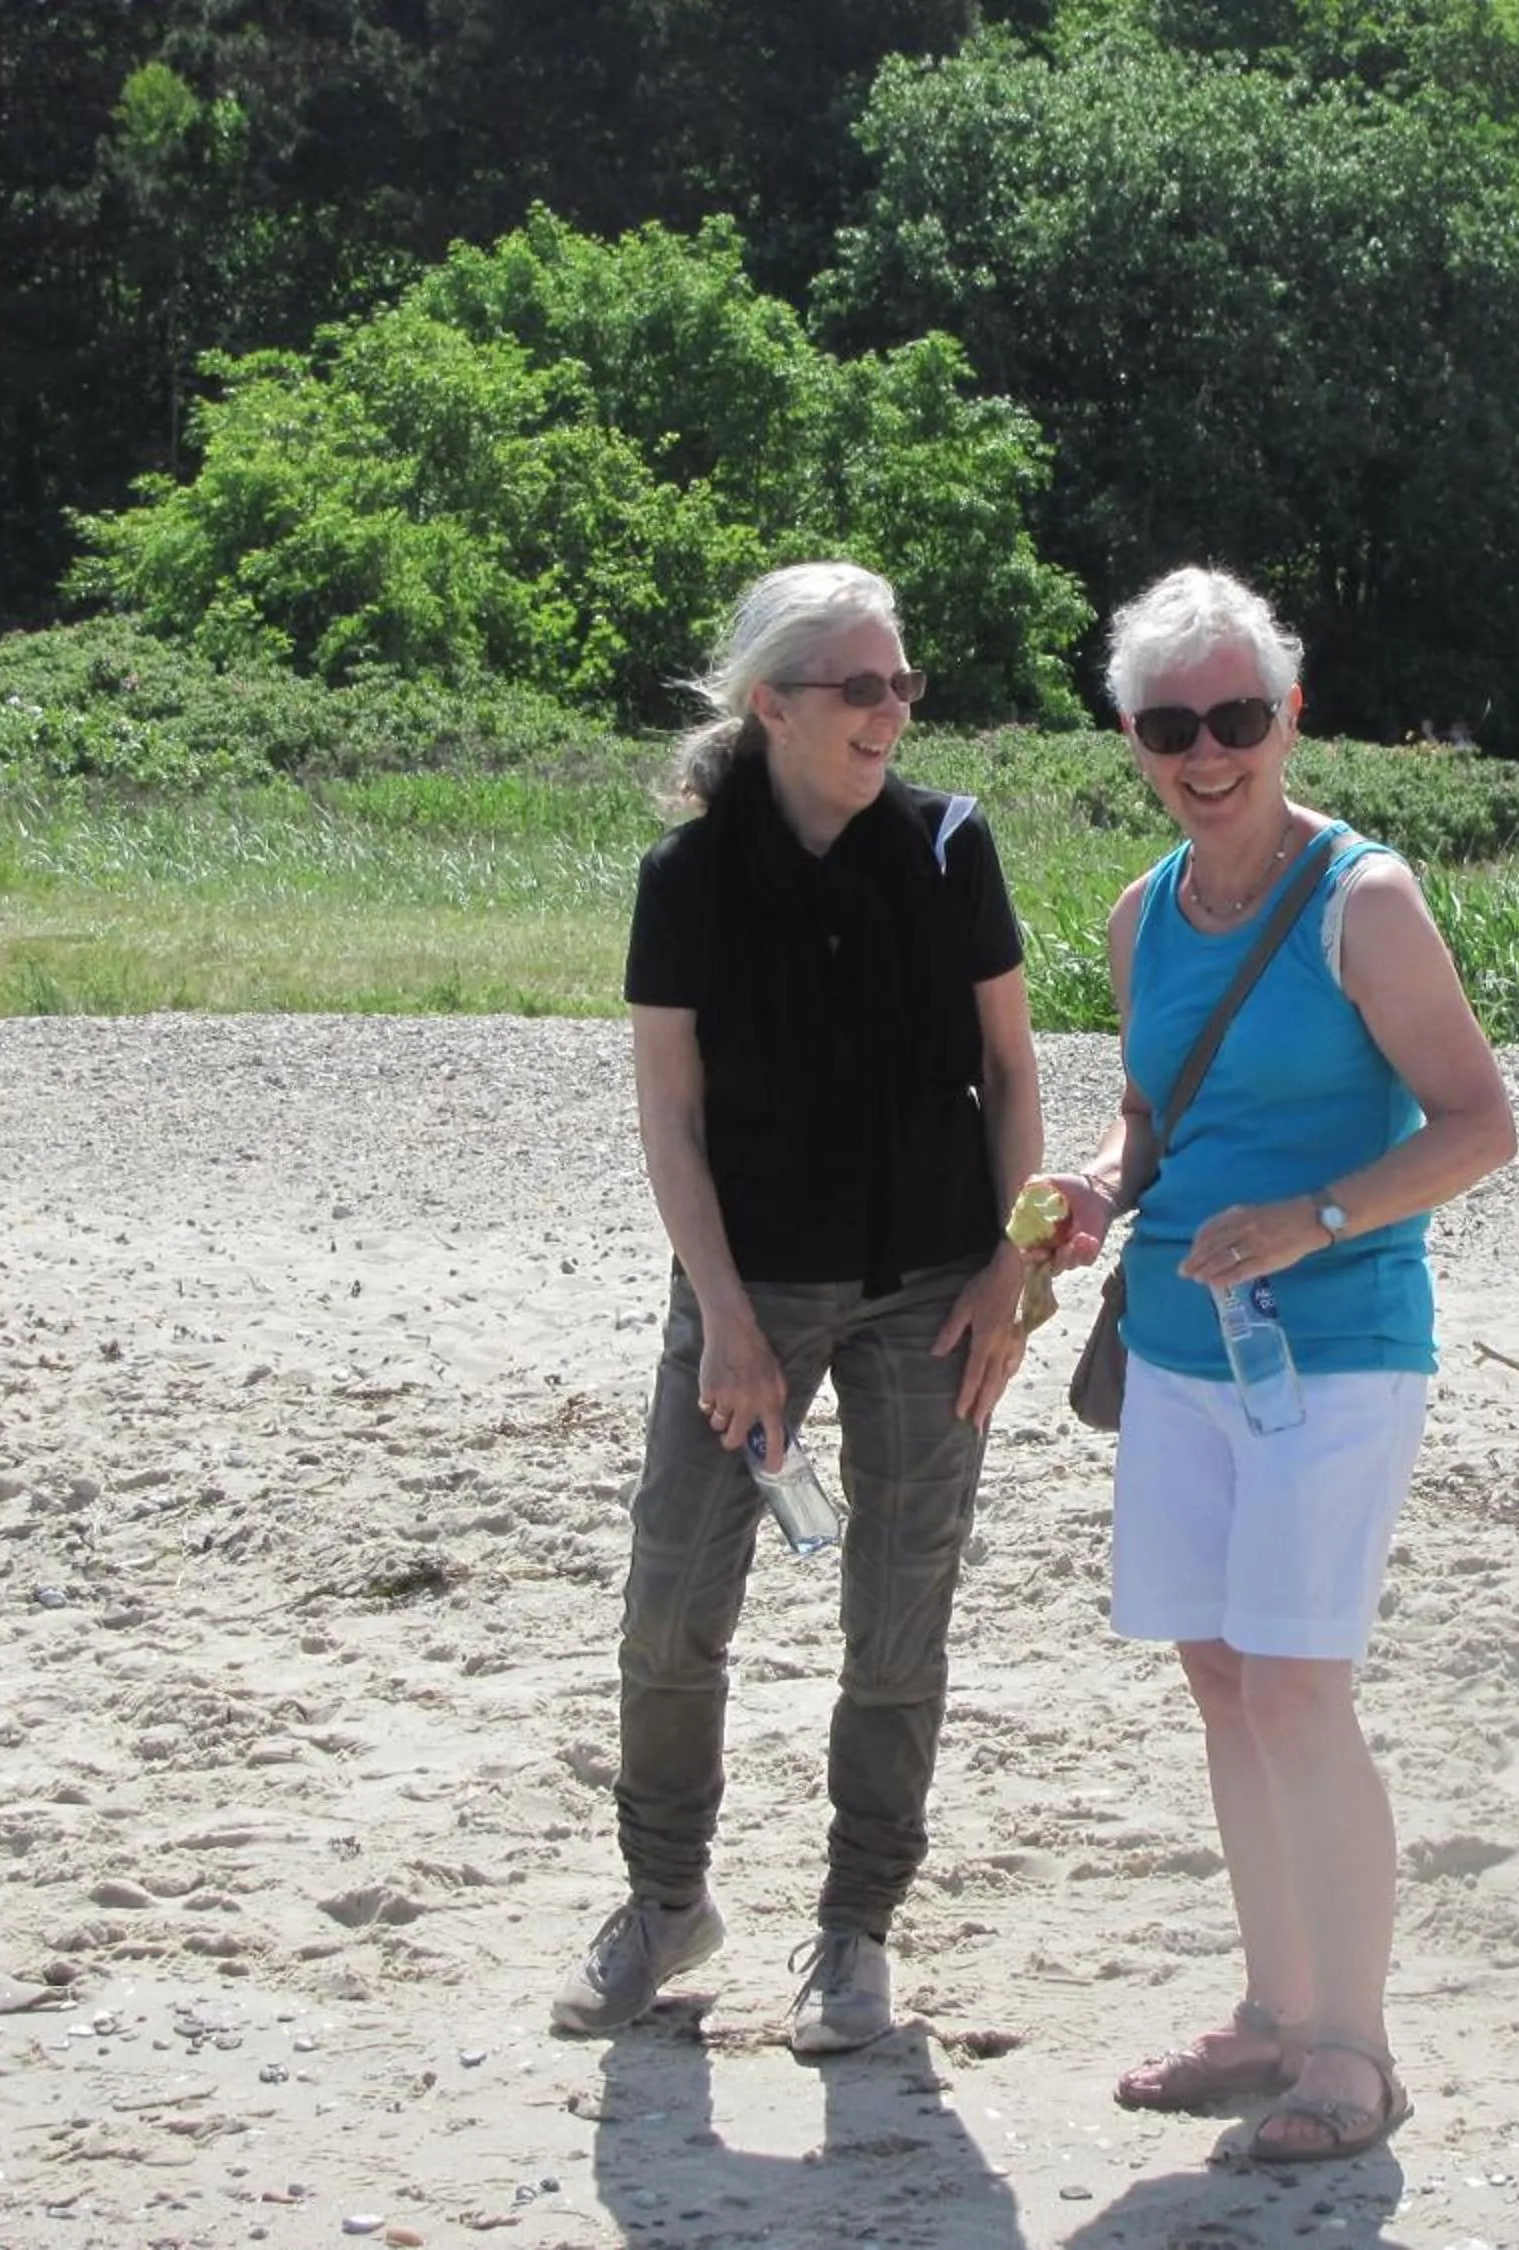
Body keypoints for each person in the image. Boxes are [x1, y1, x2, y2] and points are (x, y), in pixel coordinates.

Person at [1030, 568, 1519, 2164]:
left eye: (1238, 717)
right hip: (1177, 1344)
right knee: (1223, 1675)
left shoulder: (1363, 899)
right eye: (1173, 725)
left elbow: (1479, 1125)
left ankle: (1355, 2052)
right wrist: (1104, 1181)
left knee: (1303, 1686)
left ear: (1289, 717)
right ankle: (1272, 2007)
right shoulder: (1138, 912)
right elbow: (1154, 1109)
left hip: (1342, 1347)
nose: (1208, 751)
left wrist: (1315, 1216)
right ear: (1131, 737)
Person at [552, 561, 1044, 2056]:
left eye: (903, 683)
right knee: (671, 1605)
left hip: (933, 1289)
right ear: (769, 704)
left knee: (898, 1618)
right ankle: (663, 1900)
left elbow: (1014, 1073)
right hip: (750, 1286)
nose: (891, 710)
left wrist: (1013, 1271)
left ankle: (855, 1931)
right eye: (859, 686)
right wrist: (728, 1324)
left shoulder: (953, 845)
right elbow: (671, 1119)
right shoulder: (685, 882)